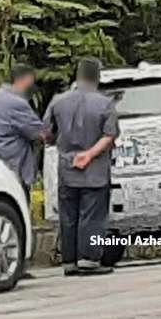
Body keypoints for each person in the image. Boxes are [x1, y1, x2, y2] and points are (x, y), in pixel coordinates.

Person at [44, 58, 119, 276]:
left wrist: (63, 144)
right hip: (94, 169)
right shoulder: (105, 104)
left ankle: (69, 261)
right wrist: (89, 154)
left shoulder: (57, 102)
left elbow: (46, 134)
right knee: (93, 215)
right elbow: (110, 135)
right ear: (97, 77)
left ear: (77, 76)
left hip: (67, 168)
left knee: (68, 216)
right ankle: (89, 259)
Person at [0, 64, 44, 194]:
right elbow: (40, 134)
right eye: (32, 81)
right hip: (11, 168)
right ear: (24, 79)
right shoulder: (15, 102)